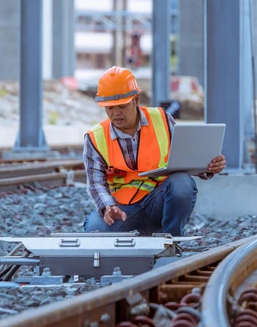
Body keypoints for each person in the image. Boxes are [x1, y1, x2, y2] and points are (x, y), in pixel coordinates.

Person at [82, 66, 227, 236]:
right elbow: (95, 183)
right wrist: (108, 207)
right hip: (123, 210)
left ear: (136, 99)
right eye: (110, 108)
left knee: (182, 182)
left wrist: (208, 167)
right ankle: (138, 233)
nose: (116, 113)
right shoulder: (95, 137)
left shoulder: (162, 120)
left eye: (121, 106)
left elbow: (187, 159)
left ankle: (171, 239)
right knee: (94, 229)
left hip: (159, 203)